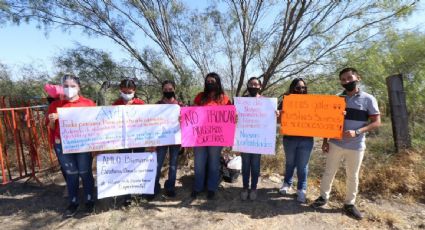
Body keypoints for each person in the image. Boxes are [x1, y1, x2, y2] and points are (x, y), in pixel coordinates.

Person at [312, 68, 381, 220]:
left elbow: (376, 122)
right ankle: (323, 197)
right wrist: (325, 141)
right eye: (343, 79)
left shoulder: (368, 99)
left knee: (352, 176)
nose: (347, 81)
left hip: (356, 146)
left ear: (358, 78)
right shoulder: (337, 98)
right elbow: (328, 122)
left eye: (349, 78)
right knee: (329, 172)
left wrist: (357, 132)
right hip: (335, 143)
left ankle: (349, 204)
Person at [46, 74, 96, 218]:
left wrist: (95, 146)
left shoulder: (88, 103)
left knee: (85, 172)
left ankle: (89, 199)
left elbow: (95, 126)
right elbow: (50, 127)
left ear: (78, 87)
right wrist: (52, 119)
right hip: (62, 145)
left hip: (83, 144)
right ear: (62, 88)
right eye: (66, 86)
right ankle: (73, 202)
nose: (69, 89)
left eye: (72, 86)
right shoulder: (55, 105)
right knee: (71, 173)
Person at [191, 72, 232, 199]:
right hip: (199, 137)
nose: (210, 84)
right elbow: (192, 113)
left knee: (214, 164)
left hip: (216, 138)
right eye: (208, 82)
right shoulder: (200, 97)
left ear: (218, 83)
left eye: (212, 82)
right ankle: (198, 187)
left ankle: (211, 188)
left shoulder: (224, 99)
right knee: (199, 164)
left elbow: (229, 117)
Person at [278, 78, 314, 203]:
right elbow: (278, 120)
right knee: (289, 163)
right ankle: (287, 184)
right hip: (289, 138)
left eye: (303, 87)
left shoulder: (312, 102)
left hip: (307, 139)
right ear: (293, 88)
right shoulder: (285, 101)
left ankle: (301, 189)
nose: (301, 90)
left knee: (302, 166)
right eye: (298, 88)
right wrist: (278, 114)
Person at [112, 79, 146, 204]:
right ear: (120, 90)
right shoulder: (116, 104)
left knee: (138, 165)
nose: (126, 93)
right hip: (122, 141)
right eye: (124, 91)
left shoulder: (140, 104)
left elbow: (146, 121)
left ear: (134, 91)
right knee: (125, 166)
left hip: (138, 140)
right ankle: (127, 194)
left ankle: (139, 192)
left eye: (129, 91)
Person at [154, 80, 184, 198]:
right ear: (162, 90)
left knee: (173, 164)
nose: (168, 91)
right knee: (158, 163)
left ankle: (170, 186)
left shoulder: (180, 105)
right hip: (161, 139)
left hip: (175, 139)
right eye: (165, 89)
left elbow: (187, 122)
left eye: (170, 89)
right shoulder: (157, 105)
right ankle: (154, 186)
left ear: (174, 89)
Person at [239, 77, 264, 201]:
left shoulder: (265, 102)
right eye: (251, 84)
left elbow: (269, 119)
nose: (254, 87)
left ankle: (253, 188)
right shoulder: (242, 101)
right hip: (245, 140)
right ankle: (244, 187)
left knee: (255, 166)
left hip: (258, 141)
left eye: (256, 84)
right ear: (248, 86)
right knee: (245, 166)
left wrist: (274, 113)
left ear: (260, 86)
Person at [44, 84, 68, 197]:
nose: (61, 98)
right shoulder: (52, 106)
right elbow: (51, 127)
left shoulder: (72, 105)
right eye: (58, 97)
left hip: (76, 141)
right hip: (58, 140)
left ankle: (79, 186)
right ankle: (69, 186)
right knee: (64, 165)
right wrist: (53, 119)